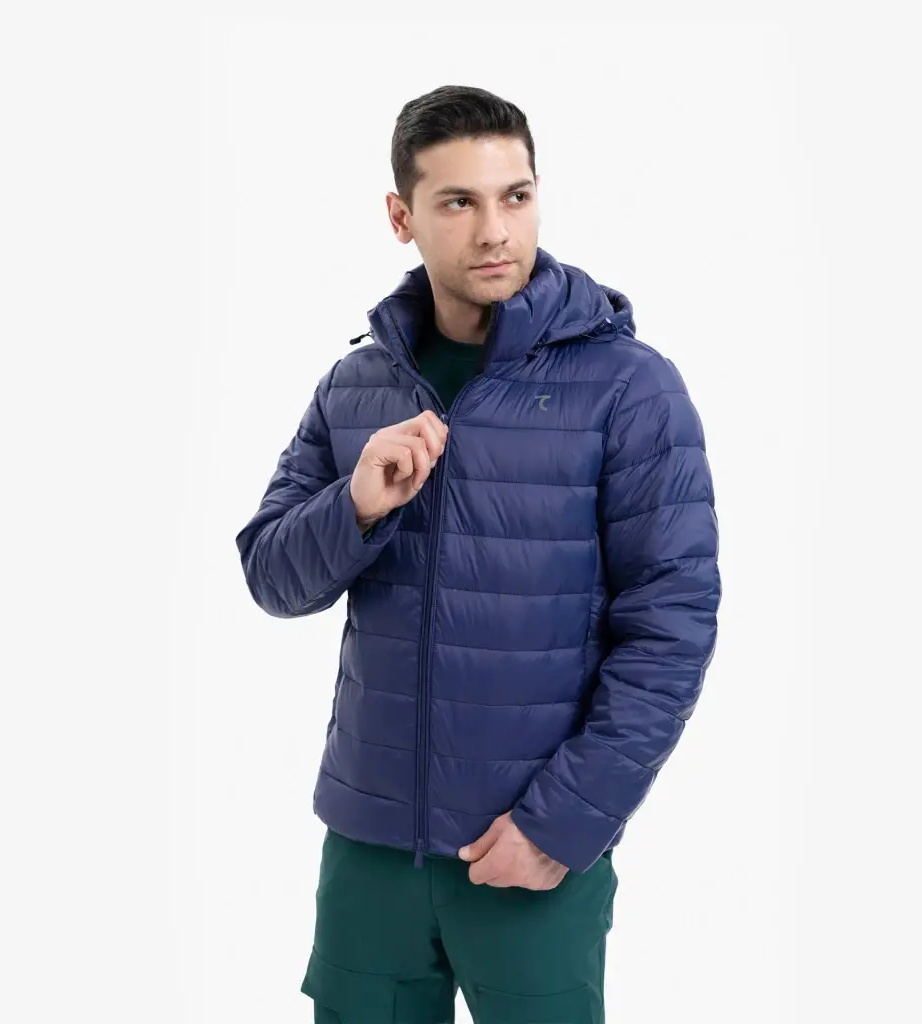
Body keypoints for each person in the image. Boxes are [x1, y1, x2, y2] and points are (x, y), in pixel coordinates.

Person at [236, 84, 721, 1024]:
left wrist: (564, 823)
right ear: (402, 218)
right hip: (369, 846)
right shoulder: (356, 384)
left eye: (516, 197)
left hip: (528, 850)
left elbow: (673, 628)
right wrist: (355, 505)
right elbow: (270, 577)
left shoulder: (630, 388)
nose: (495, 230)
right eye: (458, 202)